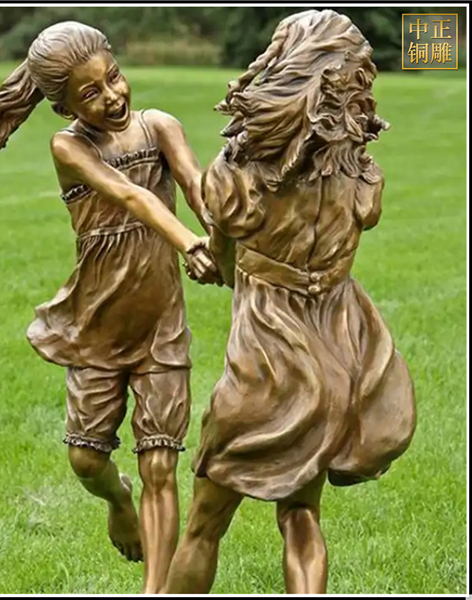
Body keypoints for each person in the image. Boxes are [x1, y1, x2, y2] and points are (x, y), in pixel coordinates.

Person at [0, 21, 221, 594]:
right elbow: (129, 194)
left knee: (161, 463)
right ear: (64, 107)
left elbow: (197, 187)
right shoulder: (69, 147)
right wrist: (187, 243)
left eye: (113, 78)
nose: (113, 96)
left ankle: (155, 590)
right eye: (90, 93)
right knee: (87, 462)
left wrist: (223, 239)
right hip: (97, 326)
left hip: (161, 324)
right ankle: (119, 501)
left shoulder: (160, 125)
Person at [164, 9, 416, 595]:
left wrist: (213, 259)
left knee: (204, 524)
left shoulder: (238, 173)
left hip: (267, 366)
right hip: (338, 363)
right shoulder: (362, 176)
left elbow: (224, 259)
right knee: (301, 517)